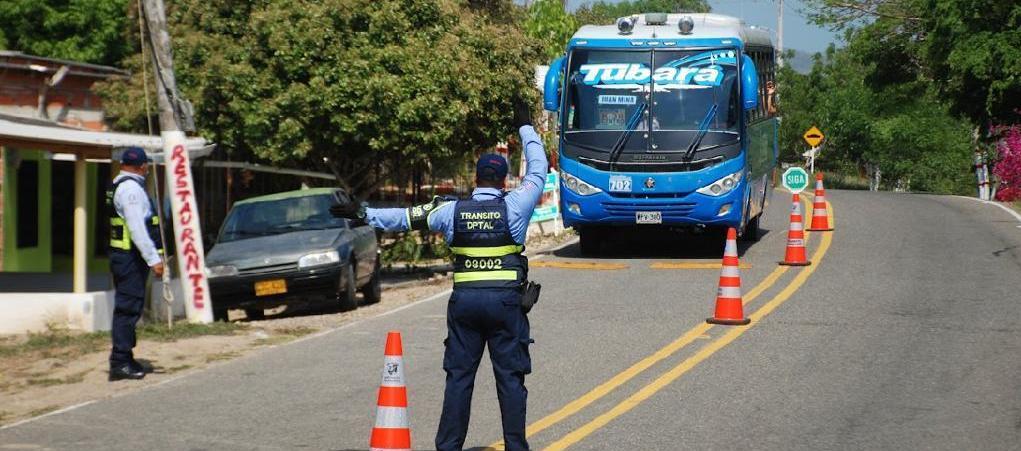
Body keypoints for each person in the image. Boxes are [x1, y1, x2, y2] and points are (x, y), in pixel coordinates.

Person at [331, 102, 547, 451]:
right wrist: (525, 128)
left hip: (465, 304)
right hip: (506, 304)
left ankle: (448, 447)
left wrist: (362, 213)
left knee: (459, 380)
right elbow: (538, 169)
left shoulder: (449, 211)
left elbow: (402, 218)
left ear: (476, 179)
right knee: (510, 379)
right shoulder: (515, 205)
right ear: (504, 179)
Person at [106, 147, 165, 381]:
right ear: (142, 166)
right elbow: (137, 229)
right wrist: (154, 259)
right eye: (146, 165)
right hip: (129, 259)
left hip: (125, 257)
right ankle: (120, 362)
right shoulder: (131, 190)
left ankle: (125, 356)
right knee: (128, 309)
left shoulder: (119, 185)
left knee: (130, 307)